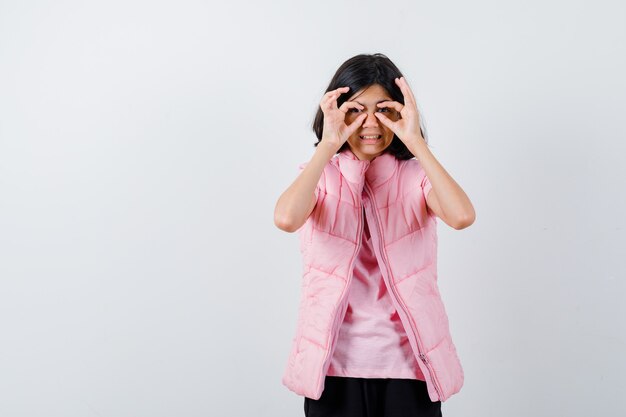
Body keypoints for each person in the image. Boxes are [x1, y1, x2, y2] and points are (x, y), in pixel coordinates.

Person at [274, 53, 475, 417]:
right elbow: (286, 218)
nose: (370, 123)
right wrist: (328, 147)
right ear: (335, 111)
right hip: (332, 369)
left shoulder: (416, 175)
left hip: (411, 368)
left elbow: (461, 216)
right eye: (355, 110)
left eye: (383, 110)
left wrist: (418, 144)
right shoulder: (322, 174)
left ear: (400, 113)